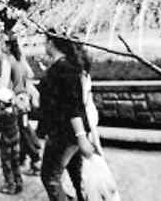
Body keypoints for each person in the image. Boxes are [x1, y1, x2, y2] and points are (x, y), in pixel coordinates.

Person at [37, 29, 94, 201]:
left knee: (50, 177)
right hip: (68, 132)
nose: (44, 45)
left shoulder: (64, 69)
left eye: (45, 42)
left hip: (63, 133)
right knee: (75, 173)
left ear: (51, 43)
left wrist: (81, 137)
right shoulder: (65, 66)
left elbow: (72, 106)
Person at [0, 34, 41, 176]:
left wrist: (0, 98)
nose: (0, 46)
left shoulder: (7, 61)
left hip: (15, 102)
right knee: (23, 129)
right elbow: (30, 74)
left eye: (2, 43)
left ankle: (35, 159)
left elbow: (3, 85)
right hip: (24, 101)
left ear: (8, 45)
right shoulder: (19, 59)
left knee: (22, 132)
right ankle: (24, 159)